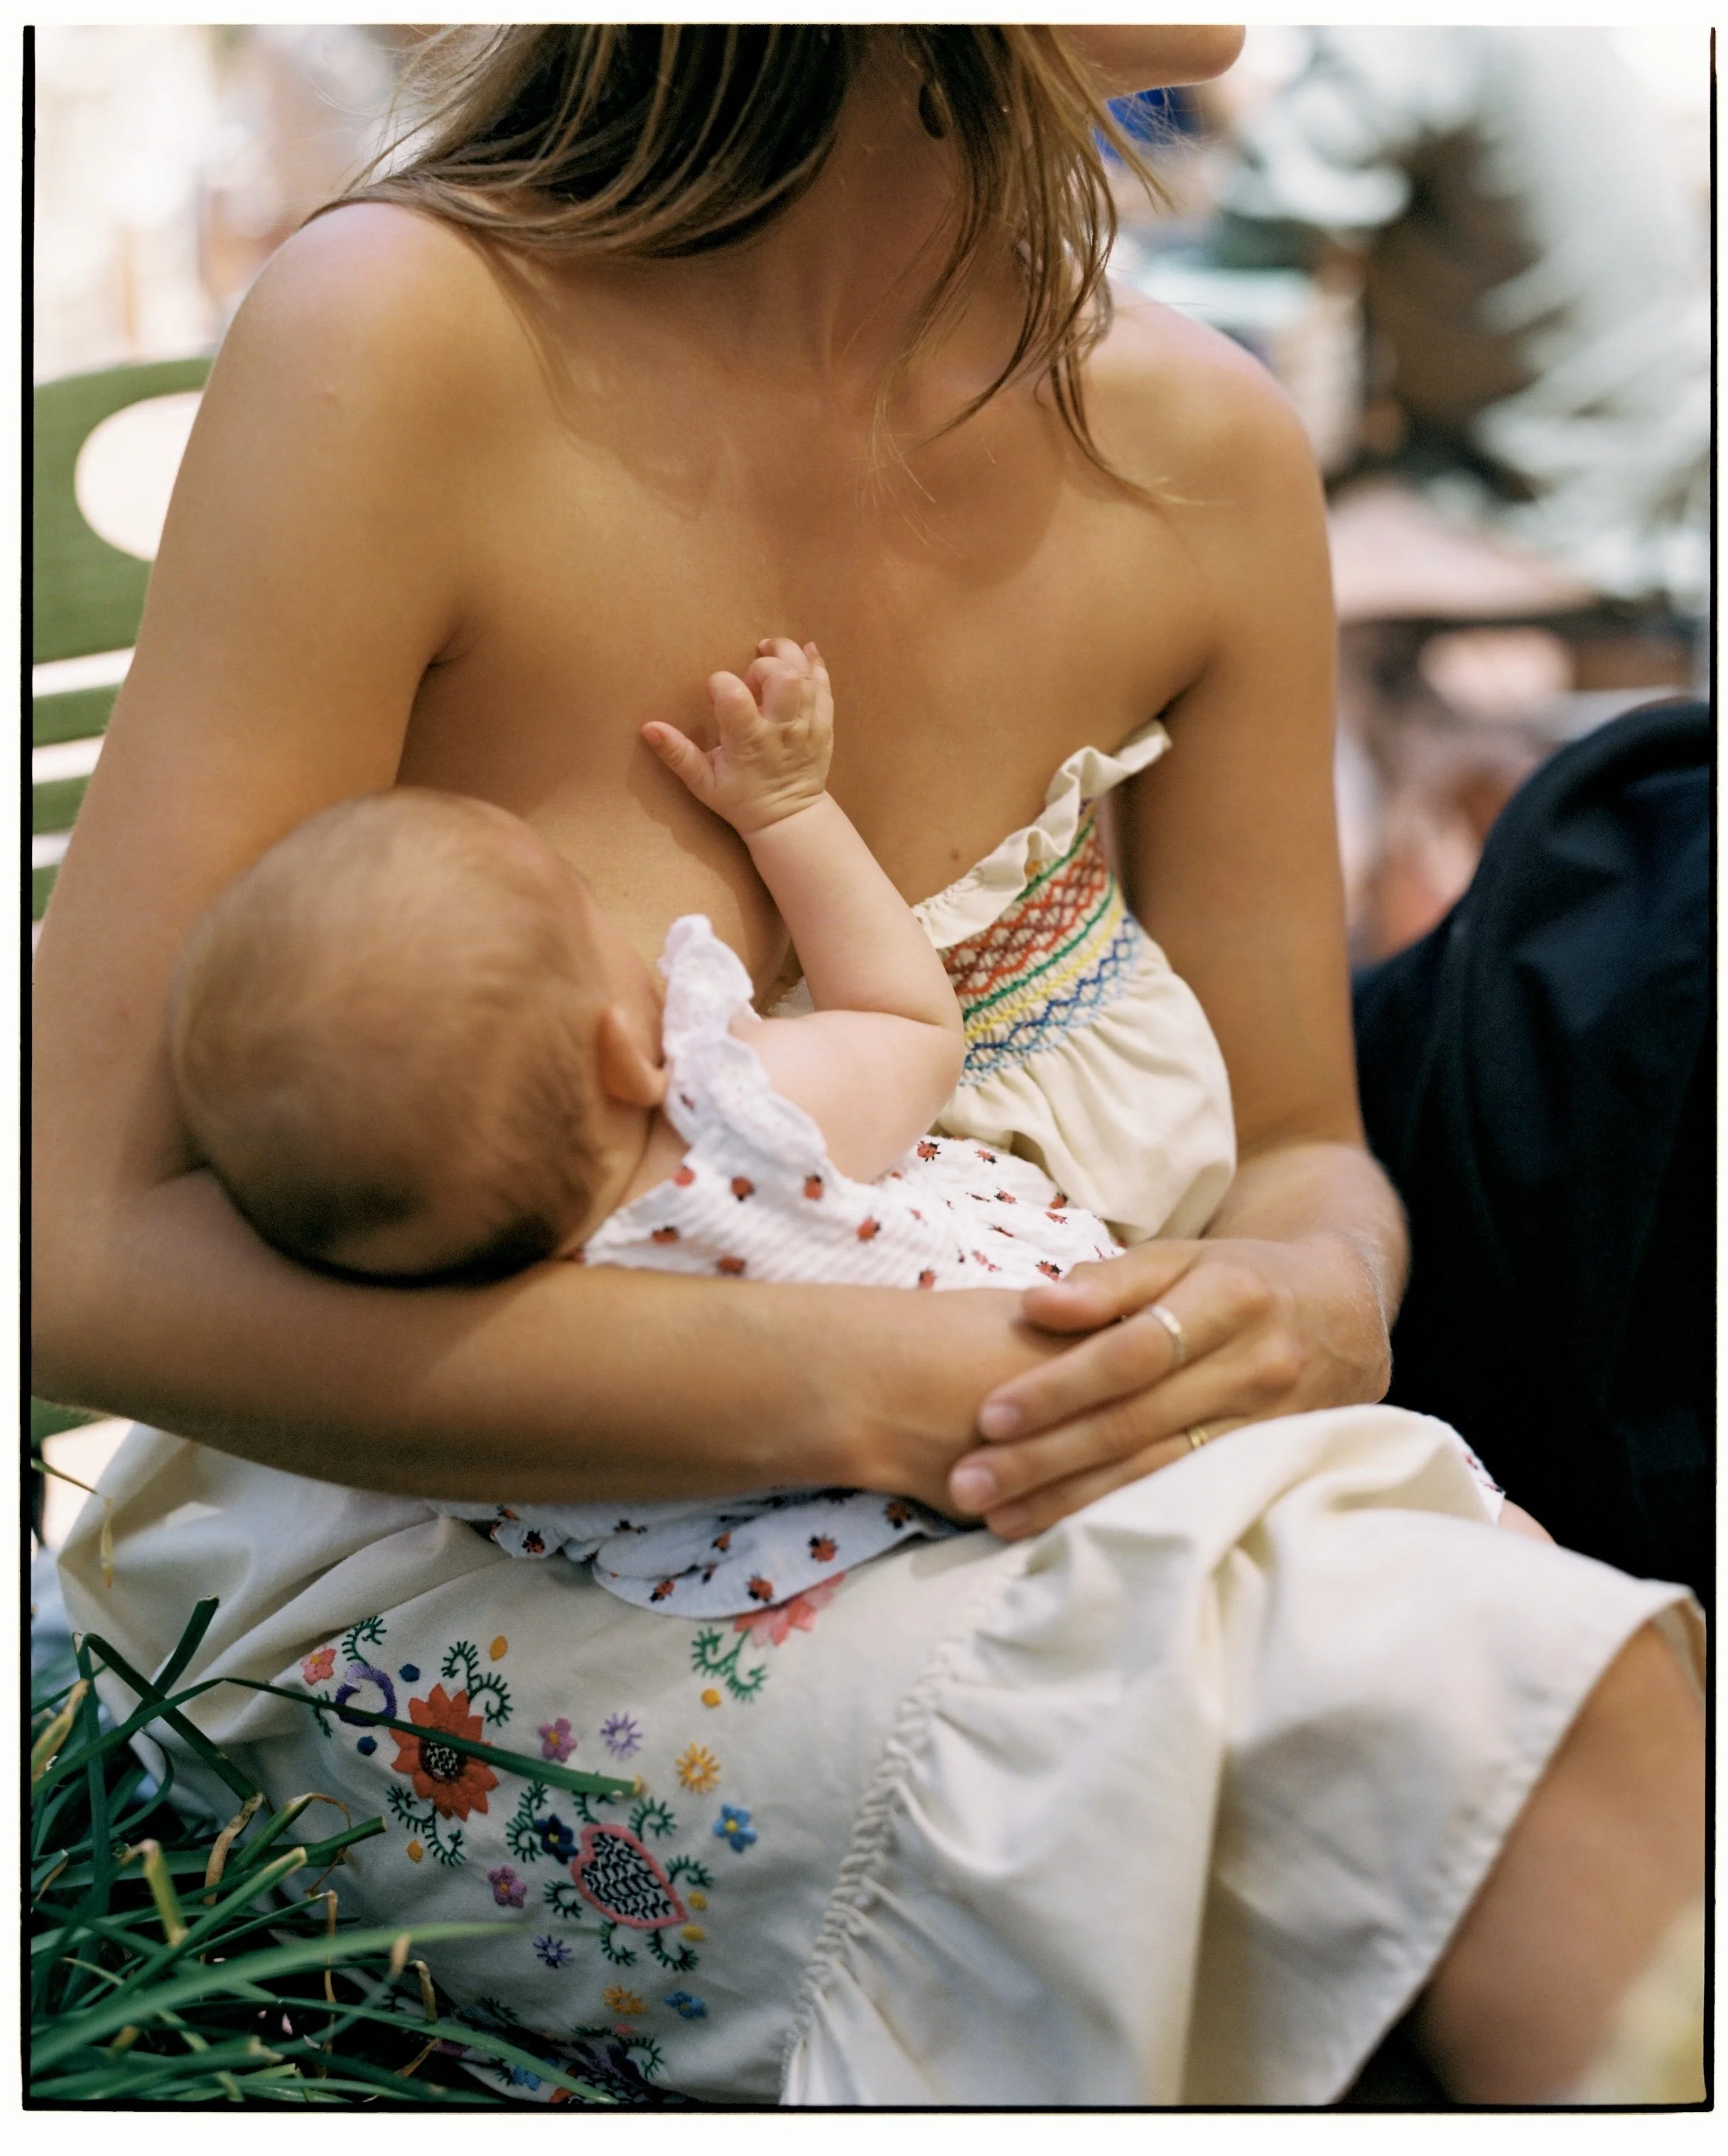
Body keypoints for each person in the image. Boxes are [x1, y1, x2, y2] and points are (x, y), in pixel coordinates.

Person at [39, 26, 1701, 2106]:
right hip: (468, 1549)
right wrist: (892, 1389)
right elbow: (73, 1262)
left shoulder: (1203, 445)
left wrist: (1315, 1290)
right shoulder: (409, 338)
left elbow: (1302, 1145)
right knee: (1505, 1714)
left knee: (1522, 1695)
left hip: (1057, 1482)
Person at [164, 637, 1127, 1614]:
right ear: (621, 1051)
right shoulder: (735, 1127)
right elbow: (909, 1024)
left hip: (769, 1585)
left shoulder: (459, 1337)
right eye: (592, 913)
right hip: (1025, 1410)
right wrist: (789, 809)